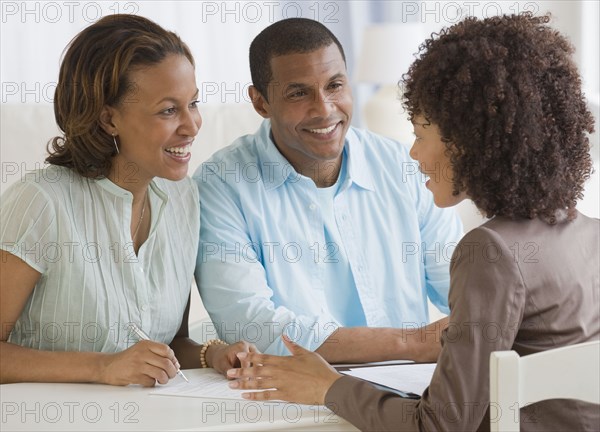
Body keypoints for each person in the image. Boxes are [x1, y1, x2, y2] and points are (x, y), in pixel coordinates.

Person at [226, 13, 600, 431]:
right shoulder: (590, 234)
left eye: (422, 134)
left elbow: (439, 426)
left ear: (467, 142)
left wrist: (328, 387)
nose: (413, 155)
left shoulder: (489, 251)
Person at [0, 14, 255, 386]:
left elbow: (168, 343)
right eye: (169, 110)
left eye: (193, 103)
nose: (192, 125)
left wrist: (212, 354)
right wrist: (101, 368)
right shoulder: (41, 202)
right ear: (108, 119)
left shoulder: (183, 198)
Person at [194, 18, 463, 361]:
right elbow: (252, 327)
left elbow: (462, 287)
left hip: (412, 389)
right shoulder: (219, 186)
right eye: (298, 93)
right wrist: (410, 343)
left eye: (334, 85)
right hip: (293, 400)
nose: (324, 110)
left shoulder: (402, 166)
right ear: (261, 103)